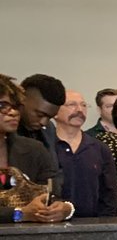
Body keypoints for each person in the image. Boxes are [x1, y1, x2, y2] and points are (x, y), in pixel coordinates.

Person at [0, 75, 73, 223]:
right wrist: (19, 214)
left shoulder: (34, 148)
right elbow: (25, 213)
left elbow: (52, 191)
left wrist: (65, 209)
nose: (13, 112)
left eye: (15, 106)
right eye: (3, 106)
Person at [53, 90, 117, 218]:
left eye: (83, 105)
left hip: (91, 227)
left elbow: (109, 195)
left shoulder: (99, 148)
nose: (79, 110)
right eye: (71, 105)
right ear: (54, 112)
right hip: (51, 224)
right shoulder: (45, 146)